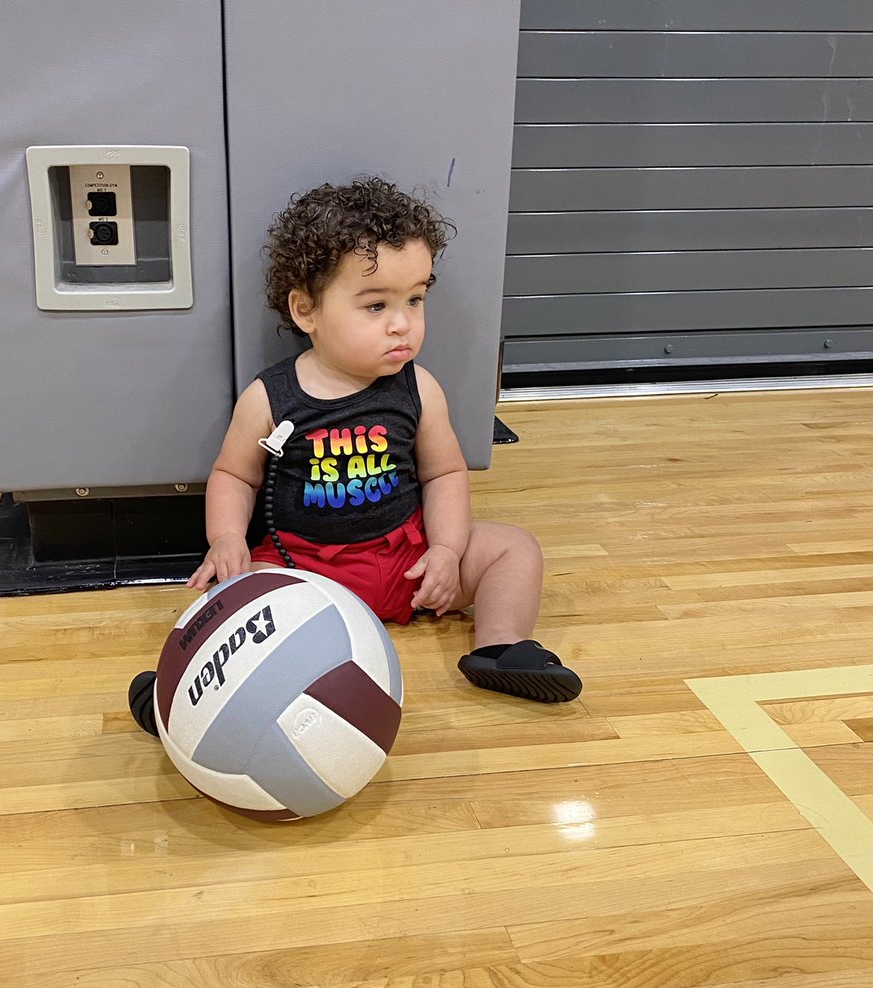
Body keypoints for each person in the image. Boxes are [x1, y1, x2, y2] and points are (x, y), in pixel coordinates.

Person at [129, 177, 580, 735]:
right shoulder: (271, 397)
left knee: (513, 548)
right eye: (375, 306)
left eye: (415, 300)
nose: (403, 323)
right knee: (234, 597)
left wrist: (446, 550)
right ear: (306, 310)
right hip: (300, 570)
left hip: (405, 562)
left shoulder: (419, 389)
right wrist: (225, 540)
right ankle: (185, 685)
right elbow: (233, 475)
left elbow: (444, 473)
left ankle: (501, 648)